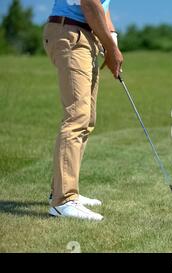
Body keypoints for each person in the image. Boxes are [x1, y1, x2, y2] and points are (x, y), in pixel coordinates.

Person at [43, 0, 123, 221]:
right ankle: (64, 200)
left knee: (87, 119)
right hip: (71, 33)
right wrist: (111, 48)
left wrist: (111, 42)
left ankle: (61, 190)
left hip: (86, 37)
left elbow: (103, 8)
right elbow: (89, 4)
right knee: (76, 117)